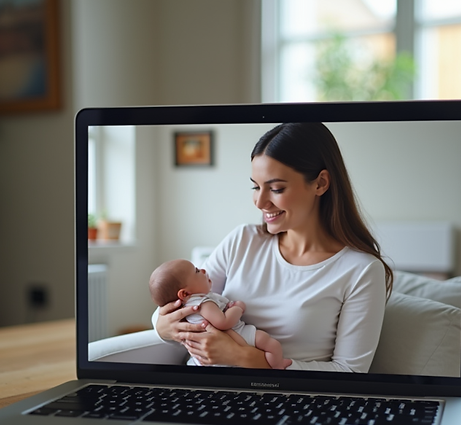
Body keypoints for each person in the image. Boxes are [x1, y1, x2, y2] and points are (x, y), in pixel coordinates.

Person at [153, 122, 393, 372]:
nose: (260, 202)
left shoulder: (361, 271)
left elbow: (351, 371)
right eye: (256, 187)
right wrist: (162, 327)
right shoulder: (243, 240)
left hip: (292, 400)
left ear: (320, 183)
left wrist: (245, 358)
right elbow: (178, 297)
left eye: (276, 188)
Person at [148, 259, 290, 370]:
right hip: (235, 334)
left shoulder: (189, 305)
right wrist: (238, 308)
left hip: (213, 350)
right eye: (197, 271)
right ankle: (277, 366)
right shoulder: (203, 303)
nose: (203, 270)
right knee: (271, 344)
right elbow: (224, 322)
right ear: (185, 293)